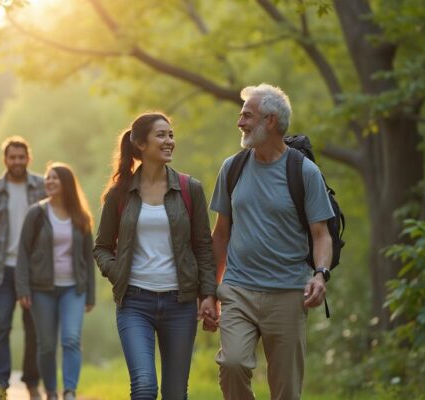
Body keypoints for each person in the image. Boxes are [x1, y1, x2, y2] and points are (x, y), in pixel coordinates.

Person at [209, 83, 334, 400]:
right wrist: (210, 291)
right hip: (238, 289)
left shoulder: (304, 172)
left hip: (289, 293)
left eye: (247, 115)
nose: (240, 122)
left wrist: (320, 274)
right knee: (233, 364)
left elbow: (322, 235)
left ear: (271, 121)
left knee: (286, 389)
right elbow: (220, 234)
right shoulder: (232, 168)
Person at [93, 112, 217, 399]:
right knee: (145, 386)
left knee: (175, 393)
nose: (169, 141)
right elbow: (101, 247)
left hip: (180, 303)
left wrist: (208, 294)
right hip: (135, 303)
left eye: (171, 135)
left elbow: (203, 246)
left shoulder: (189, 189)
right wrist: (117, 272)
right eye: (161, 135)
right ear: (140, 144)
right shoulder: (119, 194)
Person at [15, 162, 95, 400]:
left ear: (67, 184)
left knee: (71, 339)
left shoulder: (81, 216)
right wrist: (23, 288)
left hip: (73, 288)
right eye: (47, 178)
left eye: (55, 178)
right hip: (41, 290)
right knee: (47, 345)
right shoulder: (36, 213)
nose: (48, 182)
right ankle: (51, 391)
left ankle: (69, 390)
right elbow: (22, 254)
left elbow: (88, 259)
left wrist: (90, 293)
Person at [0, 136, 45, 400]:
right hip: (0, 269)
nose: (17, 161)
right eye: (12, 157)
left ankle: (32, 381)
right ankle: (0, 382)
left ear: (29, 158)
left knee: (34, 328)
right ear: (5, 160)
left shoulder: (41, 186)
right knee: (1, 325)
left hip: (33, 270)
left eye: (21, 157)